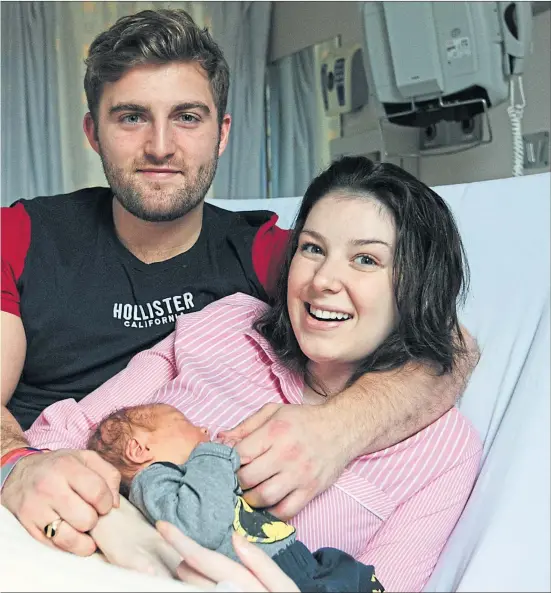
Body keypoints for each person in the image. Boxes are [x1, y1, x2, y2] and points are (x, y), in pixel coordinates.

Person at [0, 8, 479, 558]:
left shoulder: (269, 256)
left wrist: (335, 430)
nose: (161, 146)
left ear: (222, 133)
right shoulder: (21, 235)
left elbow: (445, 341)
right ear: (92, 132)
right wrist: (17, 467)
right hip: (39, 497)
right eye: (131, 117)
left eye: (187, 117)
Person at [26, 156, 482, 592]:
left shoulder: (443, 451)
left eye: (366, 259)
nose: (322, 279)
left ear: (419, 285)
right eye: (312, 248)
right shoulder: (228, 325)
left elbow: (384, 585)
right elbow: (60, 436)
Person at [86, 402, 385, 592]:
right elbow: (201, 527)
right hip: (273, 577)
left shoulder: (192, 476)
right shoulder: (154, 481)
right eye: (183, 421)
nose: (202, 427)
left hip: (301, 564)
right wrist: (213, 453)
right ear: (140, 450)